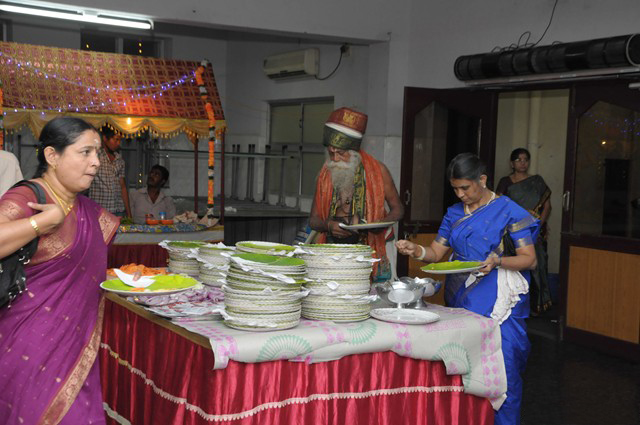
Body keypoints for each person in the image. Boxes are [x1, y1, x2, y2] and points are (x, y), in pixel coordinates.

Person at [396, 153, 538, 425]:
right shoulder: (454, 213)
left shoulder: (509, 210)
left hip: (499, 298)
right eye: (455, 189)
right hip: (462, 295)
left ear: (482, 180)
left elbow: (529, 260)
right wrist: (416, 250)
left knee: (504, 367)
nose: (460, 195)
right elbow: (436, 253)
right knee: (464, 366)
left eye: (465, 188)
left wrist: (497, 262)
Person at [0, 117, 119, 424]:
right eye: (85, 152)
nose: (96, 162)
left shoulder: (87, 210)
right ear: (52, 156)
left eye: (97, 153)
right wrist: (41, 222)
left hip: (76, 348)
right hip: (29, 347)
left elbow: (83, 271)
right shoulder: (28, 197)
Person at [309, 107, 404, 282]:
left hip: (371, 250)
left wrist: (379, 224)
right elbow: (313, 220)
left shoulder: (378, 171)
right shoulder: (325, 174)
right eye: (331, 153)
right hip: (333, 252)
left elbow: (398, 209)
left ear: (354, 152)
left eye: (341, 153)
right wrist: (328, 225)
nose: (335, 159)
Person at [496, 148, 552, 314]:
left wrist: (538, 225)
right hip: (511, 232)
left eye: (525, 159)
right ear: (512, 163)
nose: (522, 163)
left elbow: (547, 206)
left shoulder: (537, 181)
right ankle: (515, 305)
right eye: (518, 160)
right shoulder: (505, 182)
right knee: (514, 266)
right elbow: (499, 206)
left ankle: (537, 305)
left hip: (534, 231)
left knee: (537, 265)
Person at [88, 125, 132, 217]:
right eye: (116, 139)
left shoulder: (119, 160)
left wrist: (129, 213)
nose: (118, 143)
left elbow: (123, 187)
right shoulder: (95, 156)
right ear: (105, 138)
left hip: (118, 210)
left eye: (120, 140)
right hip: (99, 210)